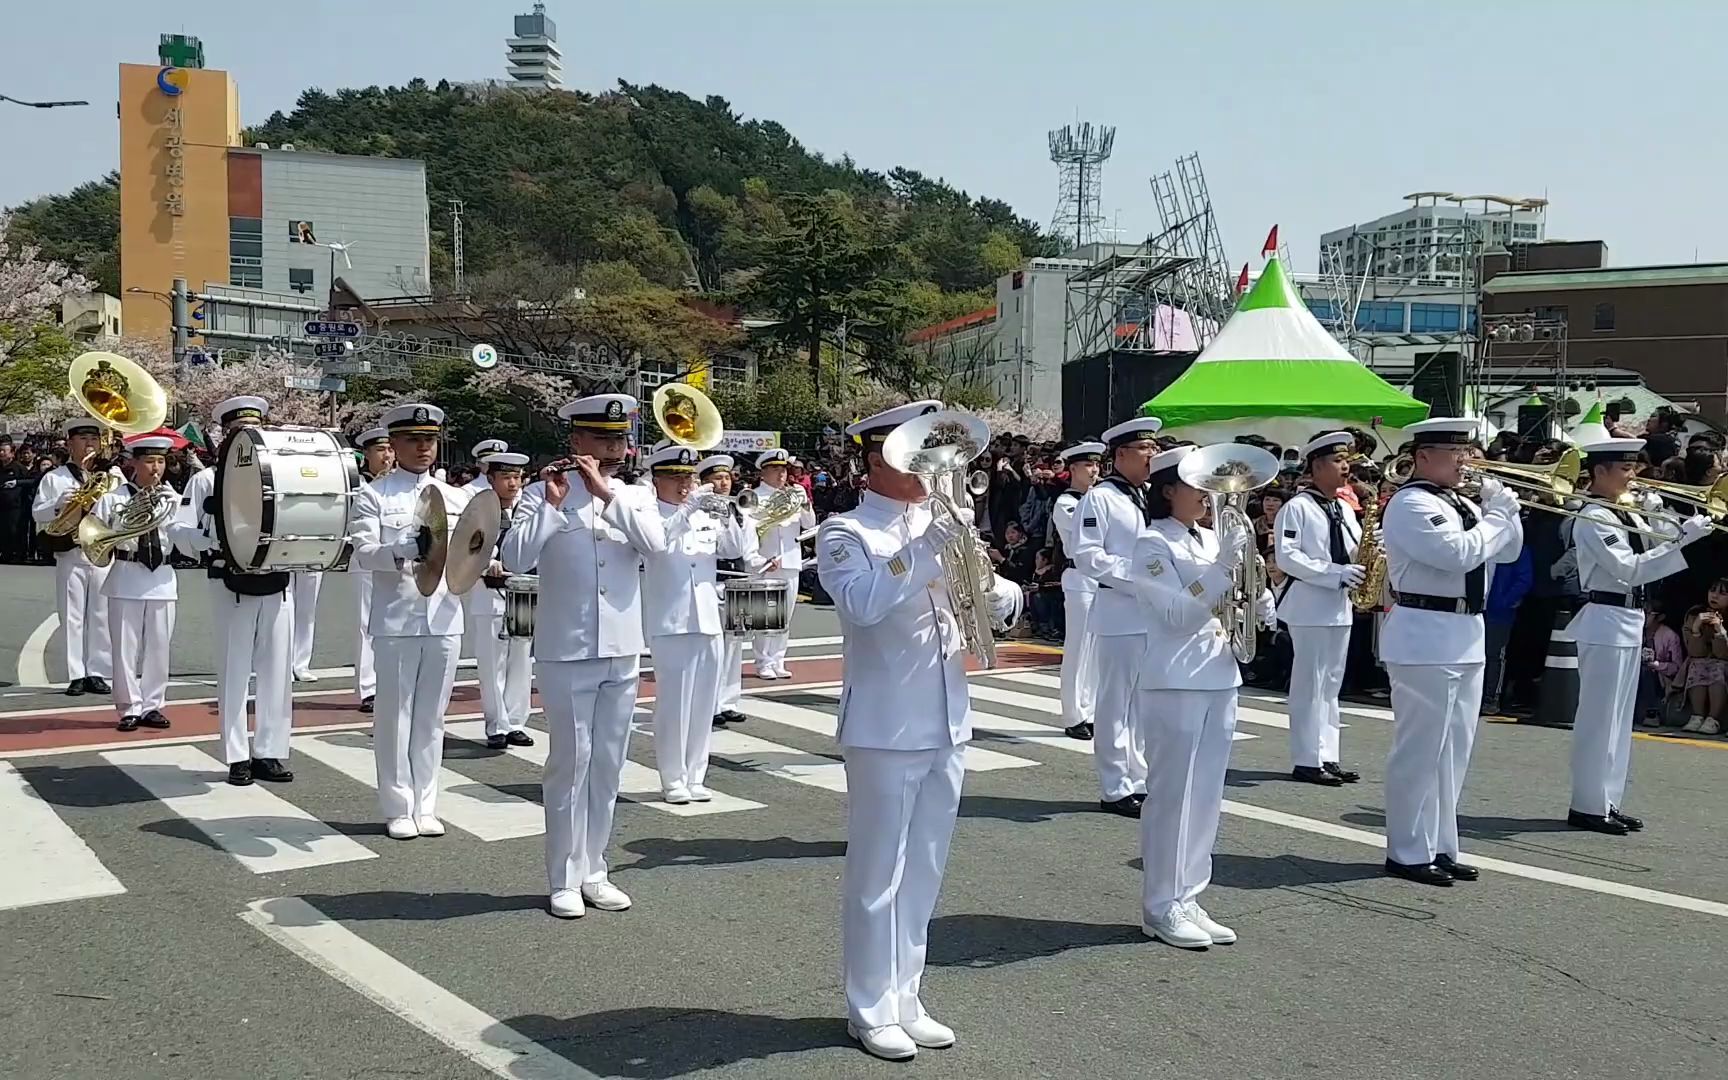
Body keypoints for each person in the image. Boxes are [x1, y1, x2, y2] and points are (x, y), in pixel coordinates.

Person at [815, 400, 981, 1061]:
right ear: (874, 459)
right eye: (911, 456)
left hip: (947, 718)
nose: (927, 470)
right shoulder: (845, 532)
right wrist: (928, 548)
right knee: (877, 873)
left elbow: (974, 609)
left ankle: (907, 995)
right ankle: (868, 1006)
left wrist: (996, 592)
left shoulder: (941, 525)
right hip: (885, 725)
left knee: (926, 872)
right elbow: (862, 604)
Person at [501, 393, 679, 919]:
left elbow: (657, 545)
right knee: (569, 763)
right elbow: (515, 557)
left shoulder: (635, 496)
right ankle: (561, 876)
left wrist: (607, 495)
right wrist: (554, 507)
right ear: (576, 440)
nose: (613, 447)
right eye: (602, 438)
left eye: (619, 438)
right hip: (567, 648)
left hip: (622, 648)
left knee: (608, 764)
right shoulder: (542, 493)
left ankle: (594, 869)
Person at [1378, 418, 1524, 887]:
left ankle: (1442, 844)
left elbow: (1506, 552)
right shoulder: (1411, 503)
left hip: (1465, 631)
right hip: (1425, 632)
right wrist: (1497, 519)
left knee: (1455, 750)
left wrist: (1509, 512)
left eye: (1468, 451)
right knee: (1420, 749)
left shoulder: (1461, 500)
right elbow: (1458, 554)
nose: (1466, 461)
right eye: (1454, 452)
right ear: (1422, 456)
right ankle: (1406, 848)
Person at [1132, 443, 1261, 948]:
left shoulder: (1211, 538)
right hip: (1175, 677)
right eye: (1196, 486)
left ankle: (1188, 895)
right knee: (1172, 795)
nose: (1208, 497)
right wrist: (1224, 569)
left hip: (1219, 673)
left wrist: (1258, 596)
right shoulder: (1150, 544)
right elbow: (1177, 616)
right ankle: (1160, 904)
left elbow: (1233, 595)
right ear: (1168, 490)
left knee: (1206, 794)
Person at [1565, 437, 1712, 834]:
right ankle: (1587, 804)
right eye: (1625, 468)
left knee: (1618, 719)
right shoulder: (1593, 515)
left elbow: (1655, 553)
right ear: (1600, 472)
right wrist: (1685, 540)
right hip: (1604, 617)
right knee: (1599, 718)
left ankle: (1608, 800)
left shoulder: (1623, 511)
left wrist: (1664, 518)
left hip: (1629, 618)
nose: (1634, 475)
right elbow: (1630, 568)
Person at [350, 403, 470, 841]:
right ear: (394, 445)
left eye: (430, 440)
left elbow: (470, 552)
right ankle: (398, 805)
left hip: (443, 616)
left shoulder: (457, 499)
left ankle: (427, 803)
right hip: (397, 618)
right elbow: (362, 553)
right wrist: (397, 549)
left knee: (432, 717)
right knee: (394, 715)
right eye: (413, 440)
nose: (423, 448)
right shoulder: (374, 496)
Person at [175, 397, 297, 785]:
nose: (245, 437)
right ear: (224, 435)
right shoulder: (206, 480)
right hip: (229, 584)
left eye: (252, 430)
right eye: (236, 431)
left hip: (276, 582)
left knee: (277, 671)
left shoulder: (280, 475)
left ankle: (270, 751)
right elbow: (179, 530)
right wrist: (207, 542)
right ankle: (237, 755)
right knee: (235, 670)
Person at [640, 444, 751, 801]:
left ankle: (696, 775)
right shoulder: (648, 512)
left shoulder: (705, 512)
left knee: (704, 702)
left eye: (687, 478)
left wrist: (728, 512)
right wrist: (687, 509)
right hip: (670, 619)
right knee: (674, 702)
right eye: (675, 478)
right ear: (657, 479)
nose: (685, 485)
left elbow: (732, 549)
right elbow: (657, 545)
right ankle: (672, 777)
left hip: (707, 618)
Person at [1070, 417, 1163, 816]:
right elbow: (1087, 555)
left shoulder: (1151, 496)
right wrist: (1134, 577)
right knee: (1114, 703)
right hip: (1119, 612)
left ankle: (1139, 777)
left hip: (1152, 614)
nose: (1152, 456)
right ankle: (1114, 785)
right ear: (1121, 454)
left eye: (1154, 449)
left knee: (1144, 703)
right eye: (1145, 449)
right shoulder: (1101, 498)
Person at [92, 437, 204, 731]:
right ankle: (129, 707)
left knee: (159, 647)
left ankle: (153, 704)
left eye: (161, 461)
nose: (156, 468)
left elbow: (185, 536)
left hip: (162, 578)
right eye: (150, 462)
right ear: (134, 463)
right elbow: (94, 535)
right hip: (126, 574)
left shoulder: (173, 500)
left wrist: (174, 504)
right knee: (125, 648)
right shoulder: (113, 498)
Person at [1273, 433, 1364, 786]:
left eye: (1347, 462)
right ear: (1317, 466)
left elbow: (1354, 548)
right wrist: (1335, 573)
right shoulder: (1297, 507)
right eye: (1339, 462)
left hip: (1339, 605)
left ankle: (1328, 754)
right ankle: (1306, 758)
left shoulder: (1342, 506)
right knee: (1309, 683)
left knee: (1330, 685)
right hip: (1310, 605)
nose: (1346, 468)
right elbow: (1288, 557)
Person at [31, 417, 116, 696]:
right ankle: (76, 673)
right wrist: (59, 505)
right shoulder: (55, 478)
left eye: (94, 440)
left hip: (101, 550)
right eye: (83, 440)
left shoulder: (111, 476)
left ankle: (97, 672)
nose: (90, 445)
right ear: (70, 444)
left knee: (101, 615)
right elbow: (37, 513)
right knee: (72, 616)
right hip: (71, 552)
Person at [463, 451, 535, 750]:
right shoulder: (479, 511)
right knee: (492, 663)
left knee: (521, 659)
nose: (512, 484)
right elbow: (466, 551)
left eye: (517, 477)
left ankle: (516, 721)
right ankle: (497, 723)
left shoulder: (527, 510)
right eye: (506, 477)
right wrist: (487, 563)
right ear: (490, 479)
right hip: (489, 592)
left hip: (522, 591)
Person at [696, 454, 769, 728]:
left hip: (737, 581)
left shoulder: (741, 510)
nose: (724, 483)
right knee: (714, 648)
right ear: (704, 482)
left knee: (735, 645)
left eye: (727, 477)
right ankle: (711, 704)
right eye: (717, 478)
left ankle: (728, 701)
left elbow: (747, 550)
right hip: (713, 580)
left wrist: (763, 563)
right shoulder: (700, 510)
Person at [1049, 441, 1104, 739]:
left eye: (1096, 465)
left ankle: (1091, 709)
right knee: (1078, 647)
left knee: (1096, 648)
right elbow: (1089, 535)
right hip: (1079, 576)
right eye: (1087, 466)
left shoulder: (1097, 499)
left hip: (1100, 579)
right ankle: (1073, 714)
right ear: (1072, 469)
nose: (1094, 471)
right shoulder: (1066, 502)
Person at [749, 448, 815, 680]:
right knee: (765, 614)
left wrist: (805, 501)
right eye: (775, 470)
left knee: (785, 616)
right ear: (763, 472)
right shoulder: (755, 496)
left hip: (791, 560)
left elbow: (809, 524)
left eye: (783, 470)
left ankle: (778, 659)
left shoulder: (794, 495)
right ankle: (763, 661)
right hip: (766, 561)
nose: (781, 475)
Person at [352, 428, 395, 713]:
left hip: (398, 563)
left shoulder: (398, 484)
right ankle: (368, 687)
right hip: (365, 561)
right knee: (367, 622)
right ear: (366, 454)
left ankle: (389, 683)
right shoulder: (358, 485)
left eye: (390, 450)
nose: (387, 456)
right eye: (381, 450)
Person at [1681, 581, 1728, 733]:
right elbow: (1694, 653)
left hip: (1723, 664)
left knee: (1718, 667)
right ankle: (1697, 716)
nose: (1714, 596)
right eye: (1712, 590)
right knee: (1698, 664)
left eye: (1722, 593)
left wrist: (1720, 631)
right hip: (1700, 661)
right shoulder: (1694, 614)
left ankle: (1713, 719)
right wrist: (1696, 628)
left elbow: (1723, 655)